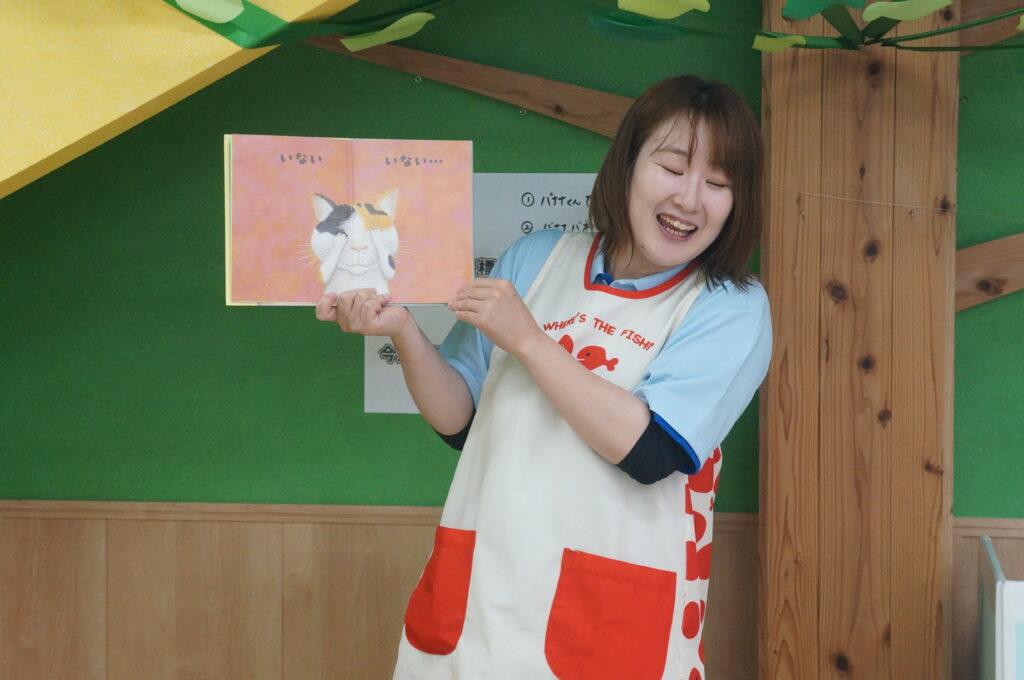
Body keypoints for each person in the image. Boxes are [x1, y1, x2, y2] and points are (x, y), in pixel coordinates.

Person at [316, 74, 771, 680]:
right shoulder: (537, 256)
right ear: (627, 164)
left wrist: (529, 340)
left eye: (718, 183)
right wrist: (401, 329)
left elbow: (650, 451)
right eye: (671, 168)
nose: (690, 198)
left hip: (606, 619)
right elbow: (461, 420)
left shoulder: (730, 308)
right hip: (478, 599)